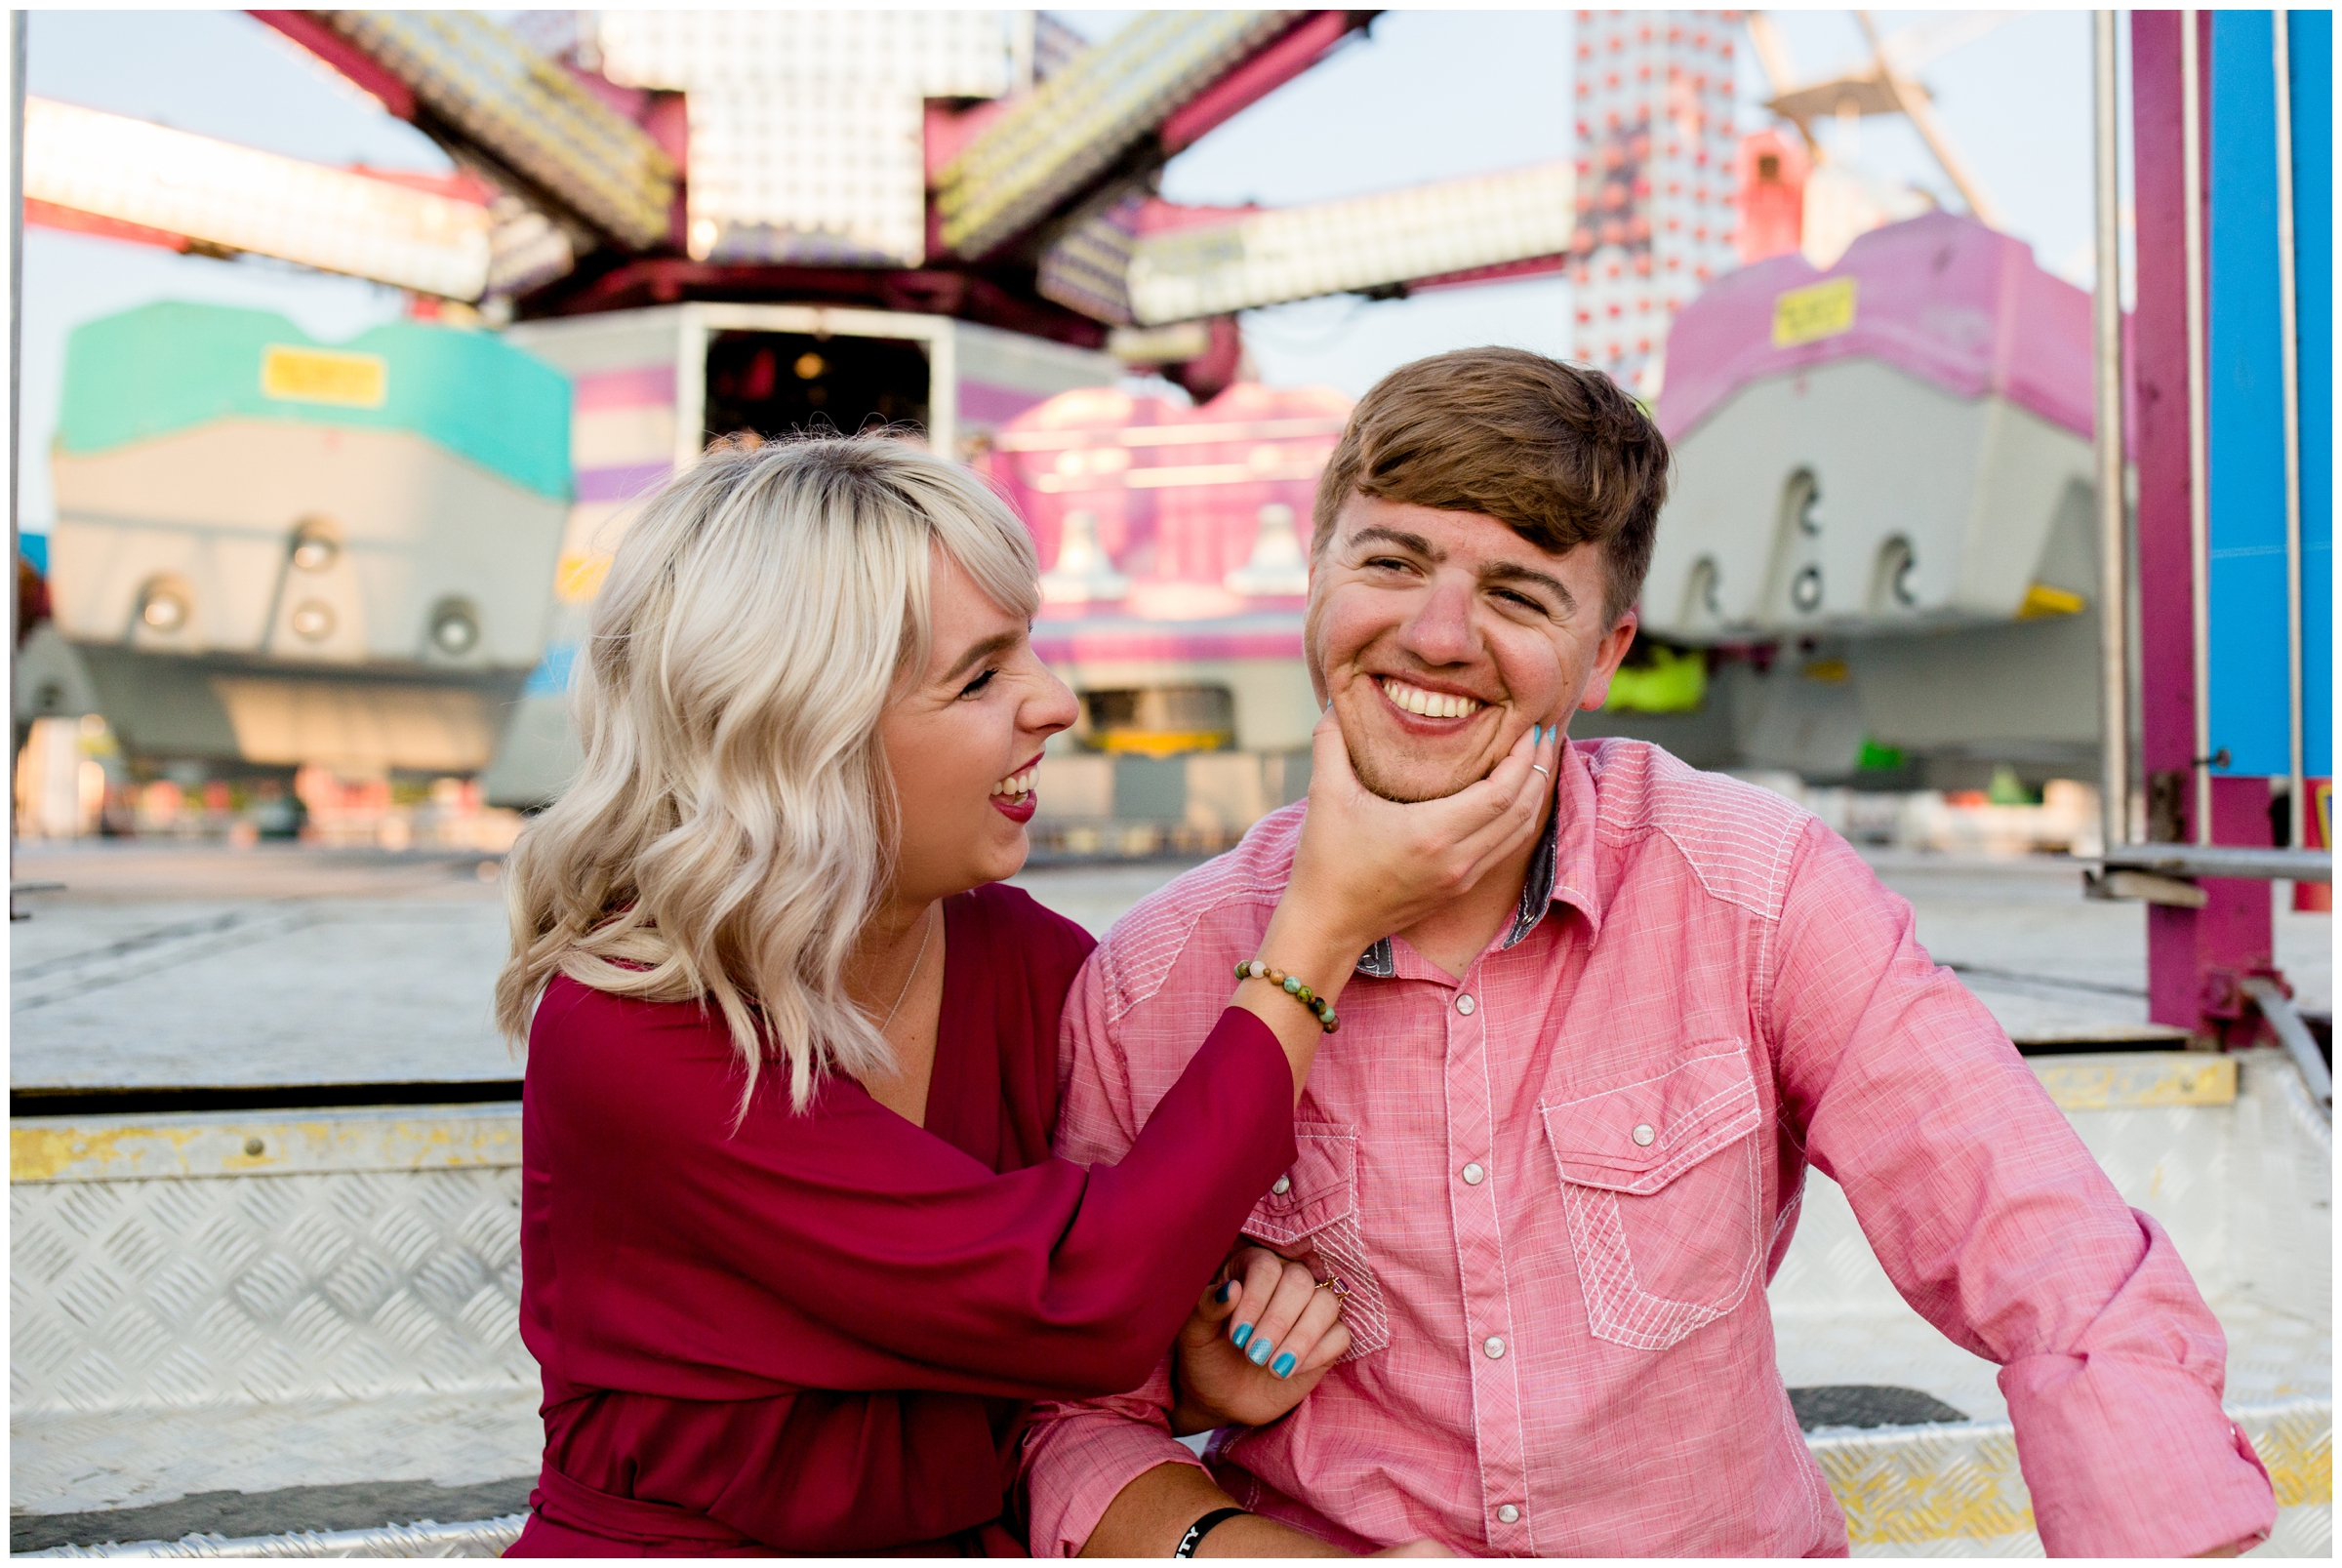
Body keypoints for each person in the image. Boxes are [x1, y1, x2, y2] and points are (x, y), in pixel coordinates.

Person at [1021, 348, 2279, 1558]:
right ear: (1315, 576)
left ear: (1607, 653)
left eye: (1518, 594)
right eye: (1392, 561)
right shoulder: (1150, 978)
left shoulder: (1755, 890)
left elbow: (2041, 1244)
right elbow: (1072, 1418)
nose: (1439, 634)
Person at [492, 434, 1557, 1555]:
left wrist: (1198, 1361)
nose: (1056, 702)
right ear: (805, 730)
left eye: (1031, 652)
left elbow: (1109, 1299)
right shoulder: (627, 1029)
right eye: (982, 674)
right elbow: (1080, 1295)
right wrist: (1322, 925)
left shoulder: (1031, 961)